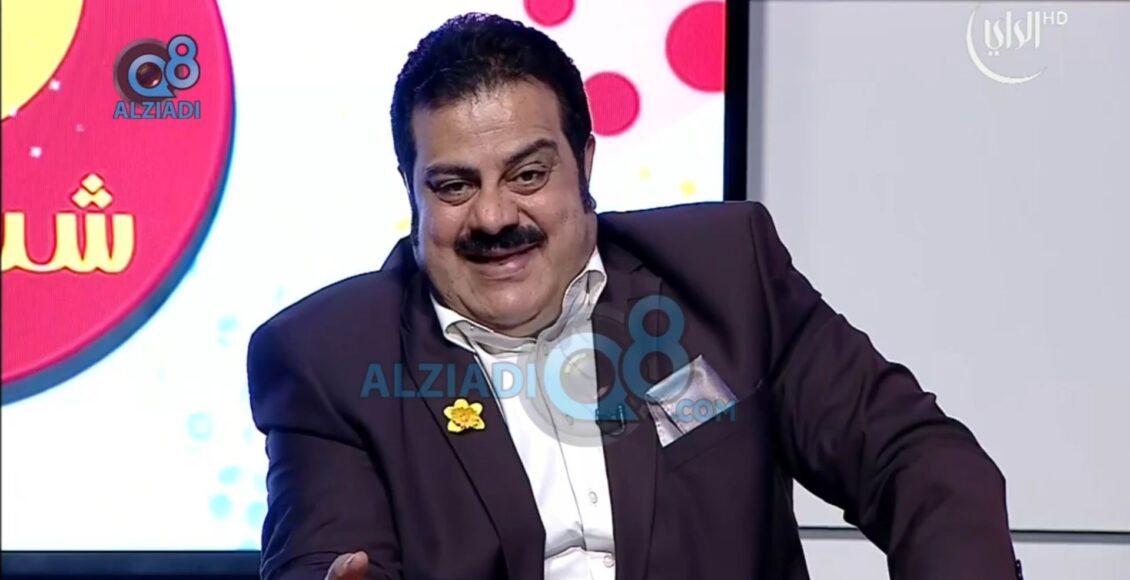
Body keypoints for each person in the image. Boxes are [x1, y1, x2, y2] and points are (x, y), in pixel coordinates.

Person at [247, 12, 1021, 580]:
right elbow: (323, 556)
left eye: (528, 174)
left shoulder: (726, 277)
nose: (493, 217)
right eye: (454, 186)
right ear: (410, 188)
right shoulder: (330, 358)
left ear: (584, 162)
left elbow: (913, 457)